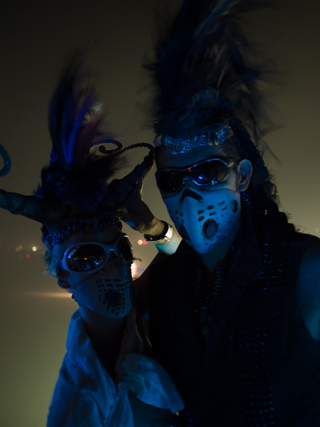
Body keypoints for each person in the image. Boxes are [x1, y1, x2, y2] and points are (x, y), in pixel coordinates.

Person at [125, 1, 320, 426]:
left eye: (209, 172)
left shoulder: (304, 271)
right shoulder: (168, 282)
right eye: (173, 181)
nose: (191, 194)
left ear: (243, 175)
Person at [0, 62, 183, 426]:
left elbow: (190, 260)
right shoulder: (81, 403)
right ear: (63, 277)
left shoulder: (142, 312)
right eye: (87, 257)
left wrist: (152, 224)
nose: (113, 267)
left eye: (121, 250)